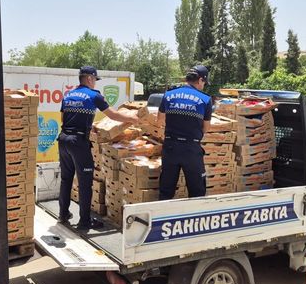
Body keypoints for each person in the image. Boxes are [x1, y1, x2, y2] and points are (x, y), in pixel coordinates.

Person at [58, 66, 139, 230]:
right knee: (85, 181)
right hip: (78, 142)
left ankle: (63, 214)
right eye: (95, 80)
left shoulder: (68, 95)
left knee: (66, 179)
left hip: (64, 139)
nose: (95, 83)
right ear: (89, 79)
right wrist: (133, 119)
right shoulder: (94, 96)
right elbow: (113, 115)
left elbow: (63, 118)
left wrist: (88, 126)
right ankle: (85, 222)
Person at [157, 65, 213, 200]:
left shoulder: (169, 94)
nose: (203, 86)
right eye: (204, 83)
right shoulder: (205, 99)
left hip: (170, 147)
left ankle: (163, 218)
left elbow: (159, 120)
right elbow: (206, 128)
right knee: (197, 191)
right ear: (200, 80)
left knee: (166, 189)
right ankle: (195, 220)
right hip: (191, 149)